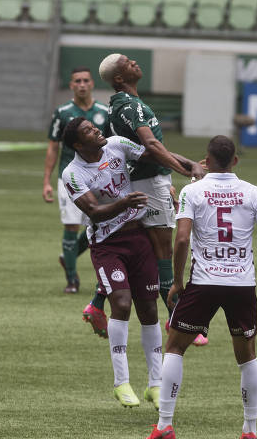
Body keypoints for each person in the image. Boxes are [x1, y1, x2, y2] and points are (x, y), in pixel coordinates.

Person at [147, 136, 257, 439]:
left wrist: (178, 281)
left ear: (205, 161)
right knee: (247, 355)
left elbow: (182, 239)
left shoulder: (192, 191)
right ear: (235, 160)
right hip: (242, 283)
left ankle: (165, 425)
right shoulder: (253, 192)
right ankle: (250, 429)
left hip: (204, 282)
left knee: (175, 346)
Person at [61, 117, 197, 409]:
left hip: (138, 239)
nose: (97, 130)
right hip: (107, 245)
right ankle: (121, 383)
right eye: (88, 130)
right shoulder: (72, 173)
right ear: (77, 144)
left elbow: (155, 152)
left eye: (94, 126)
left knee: (148, 308)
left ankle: (155, 385)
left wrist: (189, 166)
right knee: (121, 303)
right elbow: (94, 212)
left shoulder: (116, 145)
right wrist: (124, 203)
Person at [99, 53, 209, 347]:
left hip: (143, 180)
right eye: (126, 62)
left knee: (145, 247)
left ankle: (97, 302)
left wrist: (183, 166)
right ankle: (179, 318)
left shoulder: (119, 107)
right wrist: (183, 171)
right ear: (119, 78)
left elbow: (150, 148)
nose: (134, 61)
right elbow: (150, 145)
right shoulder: (131, 104)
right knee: (164, 252)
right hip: (150, 181)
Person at [42, 66, 111, 335]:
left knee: (98, 222)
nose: (82, 85)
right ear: (71, 85)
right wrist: (47, 180)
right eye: (77, 81)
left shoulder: (104, 113)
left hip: (100, 177)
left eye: (85, 80)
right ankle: (72, 279)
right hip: (68, 177)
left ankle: (67, 256)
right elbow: (52, 147)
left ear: (92, 83)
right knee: (72, 225)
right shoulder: (62, 113)